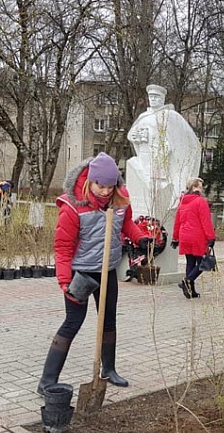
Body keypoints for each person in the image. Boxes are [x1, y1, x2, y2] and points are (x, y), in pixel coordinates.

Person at [37, 153, 153, 394]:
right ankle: (47, 381)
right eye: (101, 185)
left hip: (107, 270)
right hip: (80, 273)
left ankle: (108, 369)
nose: (105, 191)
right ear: (91, 180)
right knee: (72, 322)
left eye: (110, 186)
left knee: (109, 320)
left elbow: (127, 225)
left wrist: (140, 237)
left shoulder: (121, 201)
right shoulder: (72, 206)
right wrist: (64, 282)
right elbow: (62, 247)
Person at [126, 84, 201, 217]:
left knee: (158, 183)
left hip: (159, 156)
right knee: (146, 182)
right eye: (151, 97)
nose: (153, 99)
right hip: (144, 155)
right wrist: (136, 136)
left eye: (156, 97)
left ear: (162, 99)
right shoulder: (144, 116)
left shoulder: (169, 115)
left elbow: (182, 137)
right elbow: (131, 134)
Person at [171, 177, 216, 299]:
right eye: (200, 186)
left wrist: (175, 238)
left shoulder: (183, 201)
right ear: (195, 187)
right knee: (202, 263)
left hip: (184, 235)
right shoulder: (200, 201)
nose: (202, 189)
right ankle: (187, 280)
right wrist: (211, 237)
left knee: (190, 262)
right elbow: (205, 221)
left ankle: (191, 291)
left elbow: (177, 221)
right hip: (197, 235)